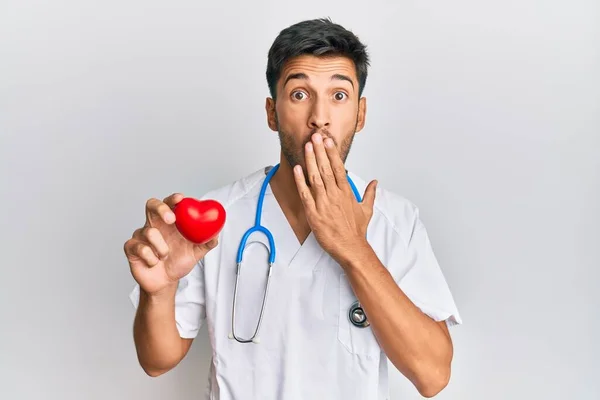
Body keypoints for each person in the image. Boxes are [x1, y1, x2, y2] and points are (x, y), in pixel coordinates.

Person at [125, 17, 462, 400]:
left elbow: (433, 375)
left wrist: (353, 248)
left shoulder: (396, 221)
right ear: (272, 113)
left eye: (339, 95)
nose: (320, 117)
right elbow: (156, 360)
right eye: (300, 94)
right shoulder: (217, 217)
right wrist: (160, 291)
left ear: (360, 113)